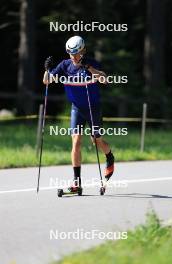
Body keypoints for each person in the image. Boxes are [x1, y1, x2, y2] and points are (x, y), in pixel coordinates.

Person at [43, 35, 114, 192]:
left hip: (93, 108)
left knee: (97, 140)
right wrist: (47, 70)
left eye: (77, 53)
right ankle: (77, 183)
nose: (74, 57)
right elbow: (47, 81)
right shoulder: (64, 65)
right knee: (76, 142)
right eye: (71, 54)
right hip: (77, 109)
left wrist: (89, 68)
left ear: (83, 51)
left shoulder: (91, 63)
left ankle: (109, 157)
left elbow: (104, 80)